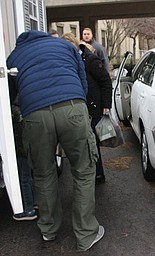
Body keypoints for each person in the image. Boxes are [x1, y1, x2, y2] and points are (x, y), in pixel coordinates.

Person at [7, 30, 104, 251]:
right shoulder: (65, 46)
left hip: (34, 116)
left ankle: (48, 230)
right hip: (72, 109)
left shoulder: (14, 56)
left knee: (43, 173)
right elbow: (82, 82)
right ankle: (86, 234)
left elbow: (10, 94)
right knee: (84, 171)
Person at [61, 33, 113, 184]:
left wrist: (106, 105)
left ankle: (98, 174)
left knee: (92, 142)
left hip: (93, 107)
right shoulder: (69, 61)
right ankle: (92, 173)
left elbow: (105, 81)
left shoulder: (90, 60)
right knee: (85, 142)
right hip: (80, 107)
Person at [11, 97, 37, 221]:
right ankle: (34, 203)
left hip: (21, 148)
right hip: (29, 147)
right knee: (30, 176)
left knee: (24, 178)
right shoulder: (29, 106)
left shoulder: (14, 109)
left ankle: (28, 209)